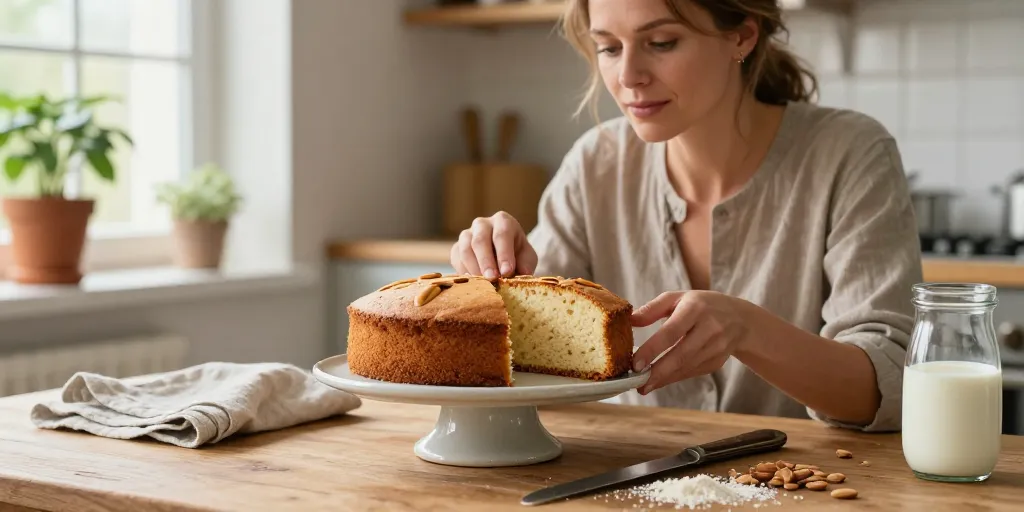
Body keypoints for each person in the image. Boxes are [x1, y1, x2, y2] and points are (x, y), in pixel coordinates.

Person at [449, 0, 922, 433]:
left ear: (741, 36)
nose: (629, 75)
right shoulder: (595, 163)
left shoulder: (850, 153)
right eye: (609, 48)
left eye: (661, 43)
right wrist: (496, 276)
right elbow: (532, 360)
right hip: (623, 483)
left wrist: (748, 329)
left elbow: (890, 389)